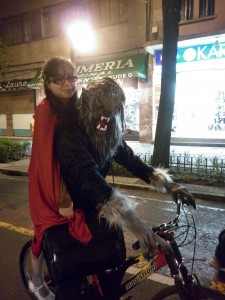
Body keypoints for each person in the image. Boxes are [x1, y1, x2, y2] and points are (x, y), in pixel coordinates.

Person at [53, 76, 196, 299]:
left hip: (98, 203)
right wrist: (136, 224)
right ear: (89, 107)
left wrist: (169, 184)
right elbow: (88, 176)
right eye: (102, 110)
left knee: (113, 260)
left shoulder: (109, 130)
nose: (107, 118)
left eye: (114, 110)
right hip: (70, 207)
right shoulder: (71, 132)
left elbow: (131, 161)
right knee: (71, 278)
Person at [28, 56, 91, 300]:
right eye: (59, 80)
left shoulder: (73, 107)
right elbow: (47, 160)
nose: (68, 84)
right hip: (52, 190)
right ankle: (40, 280)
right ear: (48, 82)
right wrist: (62, 199)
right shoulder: (45, 110)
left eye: (71, 78)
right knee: (55, 242)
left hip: (74, 182)